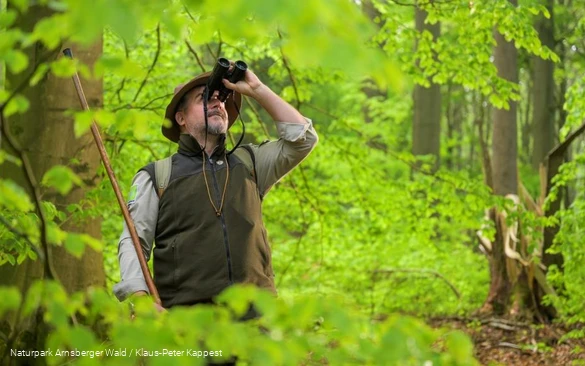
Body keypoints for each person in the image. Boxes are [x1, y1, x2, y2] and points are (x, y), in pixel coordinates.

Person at [112, 64, 318, 315]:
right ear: (181, 118)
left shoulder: (249, 163)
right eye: (204, 98)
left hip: (258, 323)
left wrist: (257, 89)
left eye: (221, 100)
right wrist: (140, 299)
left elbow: (304, 139)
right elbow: (134, 242)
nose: (218, 104)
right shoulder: (156, 177)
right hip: (187, 325)